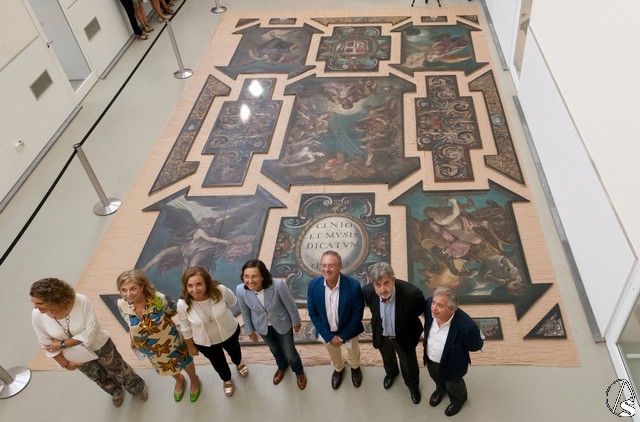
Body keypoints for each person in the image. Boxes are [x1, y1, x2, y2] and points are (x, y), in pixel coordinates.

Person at [30, 278, 148, 407]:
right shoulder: (37, 315)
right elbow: (46, 343)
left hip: (99, 344)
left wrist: (61, 344)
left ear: (54, 299)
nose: (35, 307)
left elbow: (91, 332)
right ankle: (115, 390)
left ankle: (137, 387)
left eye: (40, 303)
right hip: (75, 355)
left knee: (118, 369)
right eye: (34, 303)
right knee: (97, 376)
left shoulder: (81, 301)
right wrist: (65, 364)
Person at [116, 269, 200, 402]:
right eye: (124, 290)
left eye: (133, 288)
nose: (128, 294)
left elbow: (173, 310)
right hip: (149, 348)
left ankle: (194, 380)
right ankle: (179, 380)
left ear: (142, 287)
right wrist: (132, 339)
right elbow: (128, 323)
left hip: (170, 341)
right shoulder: (121, 304)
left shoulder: (159, 299)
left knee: (185, 361)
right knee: (165, 367)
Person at [177, 267, 248, 397]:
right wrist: (190, 346)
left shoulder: (220, 290)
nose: (194, 290)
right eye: (190, 286)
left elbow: (232, 302)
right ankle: (226, 379)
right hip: (205, 342)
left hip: (229, 332)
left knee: (235, 352)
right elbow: (185, 326)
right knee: (218, 362)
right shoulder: (182, 304)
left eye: (199, 284)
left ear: (207, 283)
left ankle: (239, 363)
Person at [236, 259, 307, 390]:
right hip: (262, 326)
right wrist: (250, 331)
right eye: (246, 276)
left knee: (290, 351)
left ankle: (299, 371)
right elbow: (245, 311)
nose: (250, 281)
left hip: (282, 323)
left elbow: (290, 305)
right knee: (274, 349)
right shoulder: (240, 290)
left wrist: (296, 322)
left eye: (254, 276)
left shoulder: (278, 285)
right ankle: (282, 366)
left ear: (262, 276)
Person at [362, 262, 424, 404]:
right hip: (382, 333)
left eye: (386, 283)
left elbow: (418, 311)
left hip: (404, 334)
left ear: (393, 280)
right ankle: (392, 374)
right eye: (378, 285)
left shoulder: (412, 294)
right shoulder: (367, 292)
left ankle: (413, 386)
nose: (383, 290)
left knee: (408, 363)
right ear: (372, 284)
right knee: (387, 358)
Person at [307, 250, 364, 390]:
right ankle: (339, 368)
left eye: (331, 266)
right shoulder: (313, 286)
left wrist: (343, 336)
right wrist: (329, 336)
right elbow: (313, 314)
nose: (327, 269)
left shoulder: (354, 286)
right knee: (333, 353)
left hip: (349, 331)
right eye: (324, 265)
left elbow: (357, 315)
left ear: (340, 266)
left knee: (353, 351)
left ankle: (355, 367)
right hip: (327, 332)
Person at [423, 287, 483, 416]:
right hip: (431, 359)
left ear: (452, 309)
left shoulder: (467, 326)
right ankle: (440, 390)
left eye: (440, 305)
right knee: (436, 377)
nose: (434, 308)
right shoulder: (428, 306)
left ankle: (458, 400)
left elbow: (475, 345)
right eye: (434, 303)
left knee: (454, 385)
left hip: (452, 365)